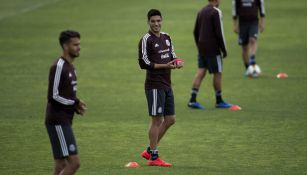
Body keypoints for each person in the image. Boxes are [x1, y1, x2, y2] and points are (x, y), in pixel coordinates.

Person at [138, 9, 183, 167]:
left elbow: (172, 55)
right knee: (157, 120)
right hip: (154, 85)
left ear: (162, 20)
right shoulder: (146, 39)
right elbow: (143, 63)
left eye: (158, 21)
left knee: (170, 120)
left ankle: (150, 150)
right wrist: (165, 65)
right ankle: (154, 157)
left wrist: (177, 62)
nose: (156, 24)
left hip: (166, 83)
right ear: (148, 22)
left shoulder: (167, 37)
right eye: (153, 21)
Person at [45, 30, 87, 175]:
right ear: (65, 46)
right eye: (75, 45)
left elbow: (66, 94)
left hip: (64, 120)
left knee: (60, 163)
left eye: (79, 44)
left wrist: (76, 102)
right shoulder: (58, 66)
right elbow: (53, 96)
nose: (78, 47)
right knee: (74, 163)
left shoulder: (70, 67)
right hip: (58, 121)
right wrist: (74, 103)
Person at [188, 0, 232, 109]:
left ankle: (192, 100)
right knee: (217, 72)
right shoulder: (215, 12)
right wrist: (224, 50)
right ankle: (219, 100)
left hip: (202, 47)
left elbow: (195, 31)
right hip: (213, 49)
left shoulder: (201, 11)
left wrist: (199, 45)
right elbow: (219, 33)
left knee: (201, 72)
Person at [232, 0, 265, 73]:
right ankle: (247, 68)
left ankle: (252, 59)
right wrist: (235, 24)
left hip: (253, 22)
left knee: (253, 39)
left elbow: (261, 6)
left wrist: (262, 22)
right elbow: (234, 8)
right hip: (242, 23)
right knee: (244, 47)